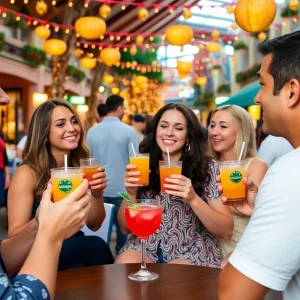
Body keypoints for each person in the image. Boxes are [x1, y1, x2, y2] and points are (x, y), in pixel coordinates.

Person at [218, 30, 300, 299]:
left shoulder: (290, 174)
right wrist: (258, 212)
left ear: (291, 92)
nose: (257, 98)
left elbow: (234, 293)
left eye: (262, 85)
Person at [115, 103, 233, 267]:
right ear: (156, 130)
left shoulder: (208, 168)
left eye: (178, 128)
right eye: (163, 126)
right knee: (123, 266)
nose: (169, 133)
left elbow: (226, 230)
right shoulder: (142, 165)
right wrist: (131, 194)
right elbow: (124, 228)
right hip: (145, 246)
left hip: (190, 250)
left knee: (173, 279)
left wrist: (193, 199)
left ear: (188, 136)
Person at [8, 99, 114, 272]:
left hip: (73, 245)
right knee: (95, 247)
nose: (72, 128)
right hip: (37, 250)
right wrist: (45, 216)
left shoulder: (79, 169)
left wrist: (97, 193)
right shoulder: (27, 173)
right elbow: (14, 235)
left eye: (73, 121)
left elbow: (94, 224)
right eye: (60, 124)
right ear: (44, 132)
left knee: (92, 249)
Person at [208, 105, 268, 262]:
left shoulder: (255, 166)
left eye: (223, 126)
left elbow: (258, 214)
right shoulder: (207, 165)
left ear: (241, 130)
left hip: (243, 246)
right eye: (212, 125)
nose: (214, 132)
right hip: (209, 248)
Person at [87, 95, 138, 254]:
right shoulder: (129, 131)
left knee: (97, 230)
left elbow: (87, 160)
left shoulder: (92, 131)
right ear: (119, 108)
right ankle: (120, 259)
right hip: (122, 189)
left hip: (98, 189)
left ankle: (100, 259)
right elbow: (135, 160)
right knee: (124, 230)